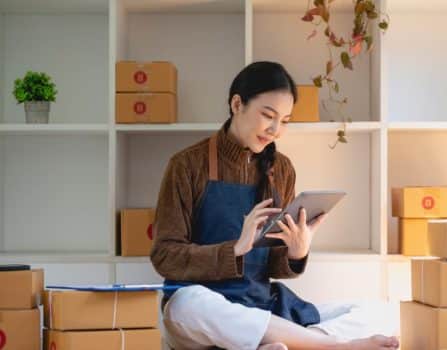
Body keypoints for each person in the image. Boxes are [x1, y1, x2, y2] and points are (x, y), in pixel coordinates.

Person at [151, 61, 399, 350]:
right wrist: (234, 249)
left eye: (285, 121)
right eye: (268, 115)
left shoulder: (281, 169)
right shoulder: (186, 165)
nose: (275, 129)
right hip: (209, 310)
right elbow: (165, 256)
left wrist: (296, 251)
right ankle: (330, 347)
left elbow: (274, 265)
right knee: (186, 306)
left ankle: (274, 344)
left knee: (382, 312)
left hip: (261, 306)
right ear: (236, 104)